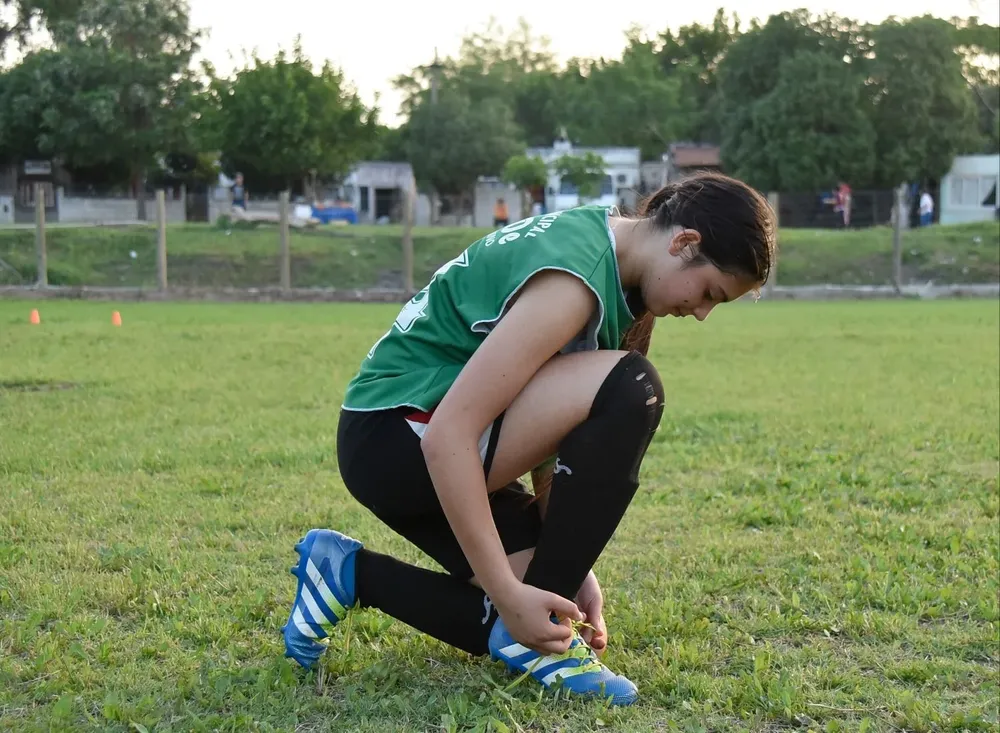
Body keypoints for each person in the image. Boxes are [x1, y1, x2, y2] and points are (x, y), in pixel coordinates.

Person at [281, 172, 777, 706]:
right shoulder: (574, 279)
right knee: (634, 387)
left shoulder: (614, 269)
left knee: (520, 620)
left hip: (409, 441)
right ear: (684, 243)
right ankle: (537, 647)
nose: (701, 313)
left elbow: (554, 427)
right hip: (399, 438)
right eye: (709, 293)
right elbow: (449, 434)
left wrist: (566, 564)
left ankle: (346, 572)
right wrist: (509, 589)